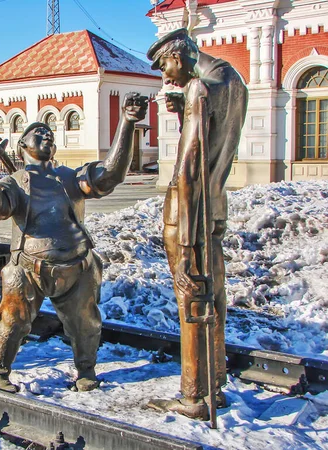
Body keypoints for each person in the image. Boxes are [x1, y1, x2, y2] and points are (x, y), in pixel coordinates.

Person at [0, 94, 148, 393]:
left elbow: (110, 175)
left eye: (49, 133)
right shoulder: (16, 181)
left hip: (78, 267)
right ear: (22, 146)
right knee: (11, 322)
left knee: (86, 324)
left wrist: (127, 124)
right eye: (37, 134)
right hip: (28, 269)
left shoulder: (69, 177)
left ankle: (86, 371)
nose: (46, 135)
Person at [146, 29, 248, 420]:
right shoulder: (231, 80)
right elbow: (216, 141)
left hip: (189, 210)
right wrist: (182, 112)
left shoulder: (198, 91)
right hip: (215, 204)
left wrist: (186, 243)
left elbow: (189, 167)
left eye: (165, 66)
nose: (166, 76)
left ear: (180, 53)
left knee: (190, 299)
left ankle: (192, 396)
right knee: (213, 299)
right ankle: (214, 386)